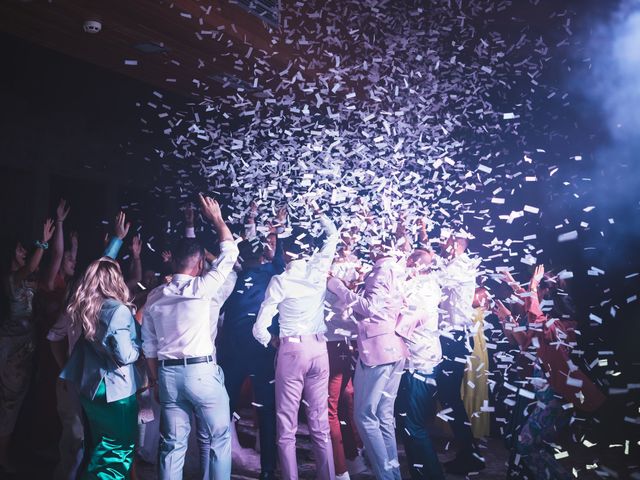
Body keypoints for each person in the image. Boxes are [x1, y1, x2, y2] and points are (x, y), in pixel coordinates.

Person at [142, 194, 239, 480]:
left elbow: (148, 345)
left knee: (172, 446)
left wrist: (155, 380)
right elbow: (230, 256)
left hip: (168, 376)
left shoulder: (154, 297)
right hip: (201, 373)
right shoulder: (201, 288)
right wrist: (218, 220)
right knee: (219, 438)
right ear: (198, 267)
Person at [496, 265, 606, 479]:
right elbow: (526, 339)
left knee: (525, 445)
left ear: (548, 295)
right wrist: (512, 287)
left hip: (555, 397)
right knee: (532, 446)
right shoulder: (550, 322)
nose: (532, 295)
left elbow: (534, 315)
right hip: (544, 397)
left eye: (537, 292)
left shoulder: (559, 326)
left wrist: (532, 284)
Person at [253, 209, 339, 480]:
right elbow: (333, 234)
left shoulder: (281, 280)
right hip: (319, 349)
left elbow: (259, 328)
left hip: (292, 350)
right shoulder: (318, 270)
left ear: (287, 253)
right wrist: (318, 212)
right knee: (320, 425)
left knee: (286, 426)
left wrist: (272, 341)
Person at [49, 211, 133, 480]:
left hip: (88, 385)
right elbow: (52, 337)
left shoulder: (82, 306)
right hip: (92, 386)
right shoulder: (96, 310)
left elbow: (100, 272)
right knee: (80, 445)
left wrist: (117, 242)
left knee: (91, 447)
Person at [327, 239, 408, 480]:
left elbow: (369, 308)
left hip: (378, 351)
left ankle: (385, 476)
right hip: (394, 348)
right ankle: (393, 475)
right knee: (383, 416)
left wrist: (337, 287)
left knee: (363, 416)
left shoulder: (381, 271)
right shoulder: (397, 270)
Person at [218, 206, 287, 480]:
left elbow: (252, 249)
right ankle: (268, 470)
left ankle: (220, 467)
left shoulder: (230, 279)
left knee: (226, 412)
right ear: (261, 256)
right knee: (266, 412)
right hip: (259, 352)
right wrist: (278, 229)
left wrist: (251, 221)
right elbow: (280, 256)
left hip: (233, 354)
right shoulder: (272, 273)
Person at [59, 255, 141, 480]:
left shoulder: (85, 307)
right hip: (116, 392)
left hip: (92, 389)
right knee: (118, 453)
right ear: (115, 280)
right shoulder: (118, 310)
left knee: (99, 450)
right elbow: (125, 355)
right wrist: (139, 344)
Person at [0, 218, 55, 474]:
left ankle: (11, 451)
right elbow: (33, 264)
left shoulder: (28, 280)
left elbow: (50, 272)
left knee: (17, 403)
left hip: (25, 349)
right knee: (8, 405)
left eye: (26, 249)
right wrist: (42, 242)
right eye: (21, 249)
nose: (25, 253)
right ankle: (3, 458)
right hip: (12, 350)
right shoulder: (12, 278)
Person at [436, 230, 485, 474]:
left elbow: (437, 280)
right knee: (448, 396)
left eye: (445, 240)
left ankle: (470, 453)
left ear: (455, 244)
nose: (441, 243)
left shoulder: (460, 266)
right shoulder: (455, 264)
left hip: (454, 337)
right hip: (453, 336)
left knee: (449, 396)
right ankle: (468, 452)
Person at [394, 248, 445, 480]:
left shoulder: (421, 289)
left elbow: (402, 316)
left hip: (421, 364)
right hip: (417, 361)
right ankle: (418, 474)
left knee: (414, 425)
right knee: (408, 424)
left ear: (414, 264)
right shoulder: (425, 285)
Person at [324, 240, 367, 480]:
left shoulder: (332, 282)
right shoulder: (351, 283)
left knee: (333, 406)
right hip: (347, 345)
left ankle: (341, 468)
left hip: (335, 346)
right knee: (346, 400)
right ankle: (354, 457)